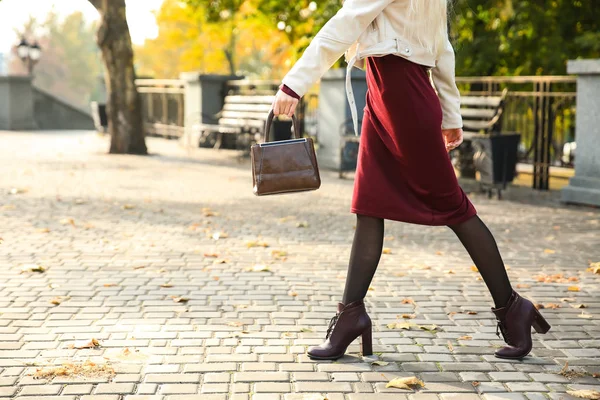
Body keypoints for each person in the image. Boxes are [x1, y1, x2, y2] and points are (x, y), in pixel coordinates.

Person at [271, 0, 550, 361]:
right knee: (368, 205)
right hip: (386, 98)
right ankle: (350, 314)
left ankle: (513, 307)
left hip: (402, 98)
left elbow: (347, 22)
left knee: (453, 206)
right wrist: (451, 115)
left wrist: (293, 84)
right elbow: (442, 48)